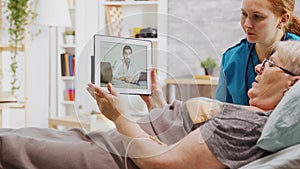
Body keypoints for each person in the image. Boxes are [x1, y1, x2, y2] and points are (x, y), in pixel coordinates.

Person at [0, 41, 299, 168]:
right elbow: (179, 135)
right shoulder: (250, 114)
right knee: (17, 137)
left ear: (292, 83)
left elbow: (162, 163)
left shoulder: (246, 126)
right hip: (111, 142)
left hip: (119, 157)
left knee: (10, 146)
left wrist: (119, 115)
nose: (259, 67)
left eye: (271, 64)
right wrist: (155, 101)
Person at [215, 0, 300, 105]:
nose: (247, 24)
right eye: (244, 14)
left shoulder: (297, 55)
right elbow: (220, 113)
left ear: (283, 19)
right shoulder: (231, 59)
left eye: (257, 17)